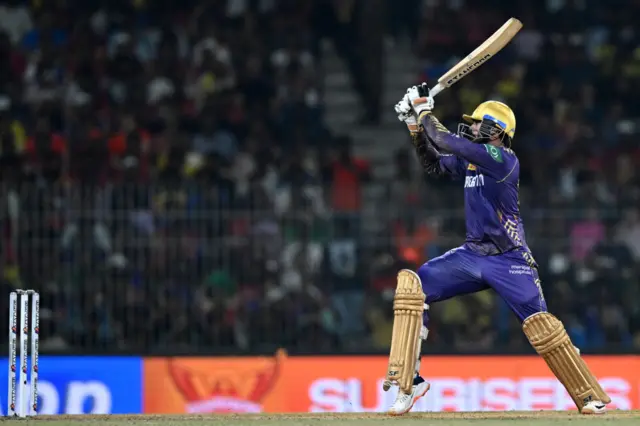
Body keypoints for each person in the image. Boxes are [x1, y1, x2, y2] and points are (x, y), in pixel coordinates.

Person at [383, 83, 610, 416]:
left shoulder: (502, 159)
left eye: (477, 123)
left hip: (510, 259)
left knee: (543, 328)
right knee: (414, 288)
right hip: (473, 255)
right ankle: (411, 382)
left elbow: (445, 140)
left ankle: (588, 395)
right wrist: (414, 124)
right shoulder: (473, 162)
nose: (472, 127)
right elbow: (434, 163)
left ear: (496, 130)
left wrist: (424, 110)